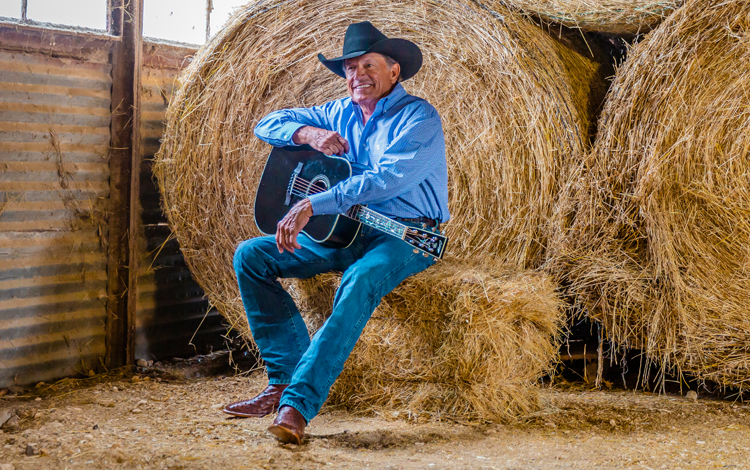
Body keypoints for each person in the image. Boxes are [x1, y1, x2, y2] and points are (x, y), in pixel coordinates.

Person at [223, 21, 450, 444]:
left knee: (360, 278)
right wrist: (308, 133)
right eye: (349, 67)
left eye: (369, 65)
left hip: (404, 235)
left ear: (394, 72)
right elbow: (268, 123)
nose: (357, 76)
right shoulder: (337, 112)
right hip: (342, 233)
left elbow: (387, 179)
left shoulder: (419, 117)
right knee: (252, 256)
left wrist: (313, 203)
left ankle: (296, 406)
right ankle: (281, 380)